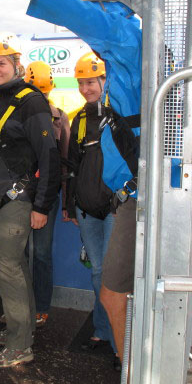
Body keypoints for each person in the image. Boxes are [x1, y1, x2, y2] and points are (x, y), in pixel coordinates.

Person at [0, 0, 141, 371]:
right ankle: (131, 364)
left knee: (113, 293)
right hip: (128, 194)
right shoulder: (134, 55)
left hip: (136, 197)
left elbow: (81, 17)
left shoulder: (124, 37)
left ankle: (132, 369)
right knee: (115, 293)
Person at [0, 32, 60, 368]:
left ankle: (21, 344)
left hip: (19, 200)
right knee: (15, 266)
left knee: (6, 267)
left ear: (16, 65)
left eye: (1, 63)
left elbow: (49, 156)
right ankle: (20, 328)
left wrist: (41, 206)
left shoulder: (31, 102)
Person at [65, 52, 118, 365]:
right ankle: (103, 330)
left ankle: (117, 339)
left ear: (104, 81)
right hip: (87, 209)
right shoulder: (79, 119)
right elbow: (72, 165)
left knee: (110, 275)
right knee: (98, 273)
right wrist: (70, 205)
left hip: (113, 208)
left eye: (92, 82)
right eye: (82, 83)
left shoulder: (117, 115)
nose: (87, 89)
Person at [24, 60, 70, 327]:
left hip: (47, 196)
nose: (40, 97)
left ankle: (41, 306)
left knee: (41, 253)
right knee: (17, 254)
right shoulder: (17, 114)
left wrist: (67, 201)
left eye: (43, 91)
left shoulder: (59, 117)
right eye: (35, 91)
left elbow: (64, 162)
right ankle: (20, 307)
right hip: (18, 195)